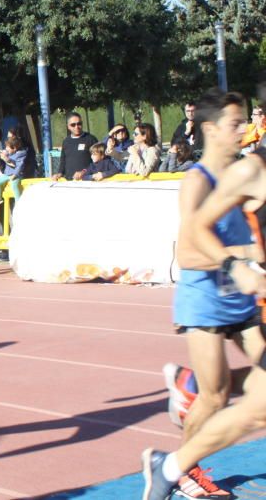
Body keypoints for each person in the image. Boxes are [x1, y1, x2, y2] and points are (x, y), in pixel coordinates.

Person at [144, 89, 259, 499]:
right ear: (210, 130)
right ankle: (180, 470)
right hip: (206, 298)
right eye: (234, 124)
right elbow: (189, 249)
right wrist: (237, 260)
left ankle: (188, 383)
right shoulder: (198, 180)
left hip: (243, 297)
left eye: (245, 121)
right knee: (215, 398)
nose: (243, 129)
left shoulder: (247, 170)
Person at [53, 113, 99, 181]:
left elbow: (98, 162)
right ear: (68, 126)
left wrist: (84, 172)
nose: (76, 127)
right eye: (73, 125)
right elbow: (63, 160)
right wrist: (59, 173)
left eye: (79, 123)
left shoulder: (91, 139)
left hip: (87, 180)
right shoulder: (66, 141)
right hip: (69, 181)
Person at [0, 135, 31, 207]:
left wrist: (15, 175)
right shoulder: (9, 153)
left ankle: (18, 202)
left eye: (7, 147)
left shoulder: (21, 155)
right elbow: (7, 159)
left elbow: (19, 166)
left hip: (16, 175)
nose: (6, 148)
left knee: (14, 185)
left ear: (14, 148)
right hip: (7, 174)